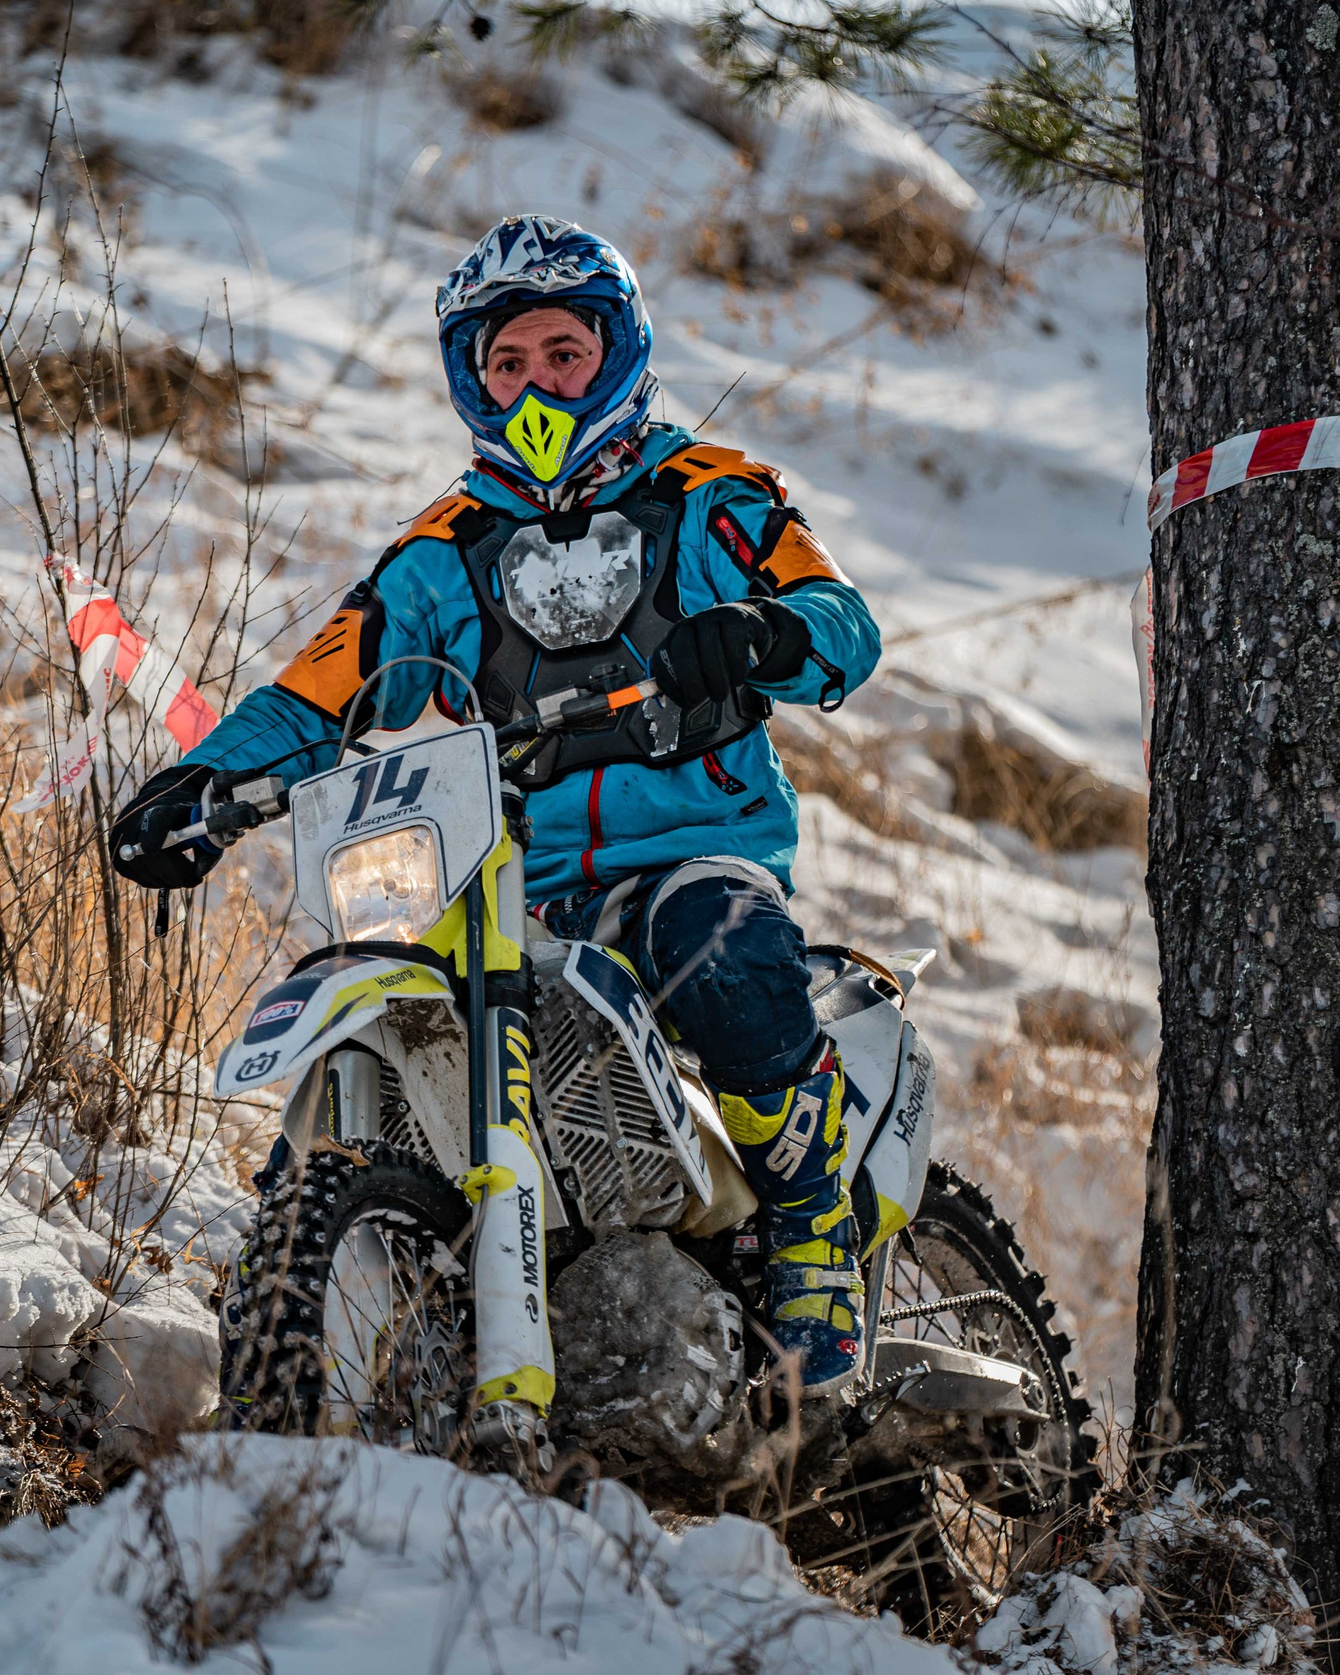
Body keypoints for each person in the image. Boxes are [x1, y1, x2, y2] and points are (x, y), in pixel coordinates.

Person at [111, 216, 882, 1392]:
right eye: (507, 362)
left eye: (561, 353)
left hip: (696, 847)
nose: (536, 385)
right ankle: (332, 1284)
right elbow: (322, 685)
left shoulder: (715, 495)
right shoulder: (443, 548)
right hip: (520, 874)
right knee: (410, 989)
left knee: (715, 950)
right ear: (471, 376)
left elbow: (842, 623)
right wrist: (204, 780)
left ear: (615, 351)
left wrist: (761, 632)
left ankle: (813, 1229)